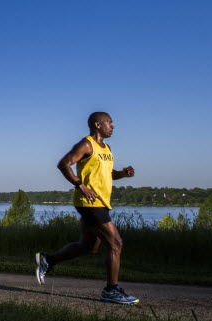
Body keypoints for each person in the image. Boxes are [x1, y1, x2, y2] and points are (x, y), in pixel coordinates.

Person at [34, 111, 139, 305]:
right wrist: (80, 186)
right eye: (110, 122)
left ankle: (48, 260)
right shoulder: (86, 144)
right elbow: (63, 164)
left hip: (101, 203)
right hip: (90, 203)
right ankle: (111, 290)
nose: (113, 126)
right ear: (97, 125)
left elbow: (107, 174)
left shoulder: (106, 148)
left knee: (89, 247)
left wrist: (122, 174)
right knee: (116, 243)